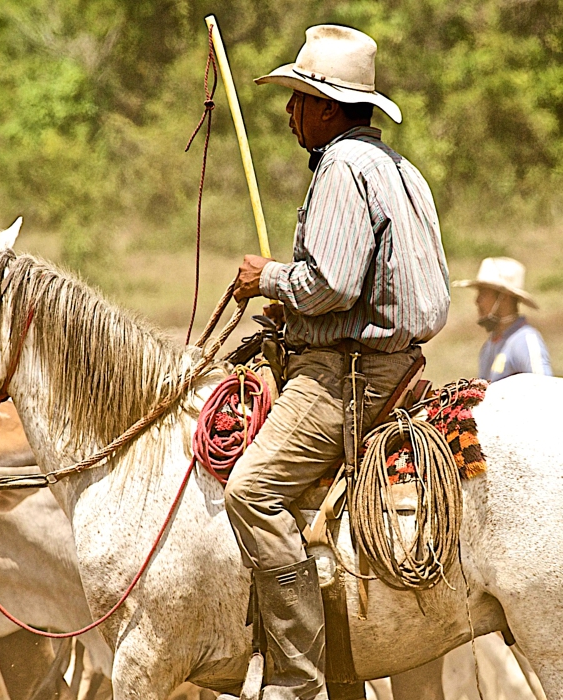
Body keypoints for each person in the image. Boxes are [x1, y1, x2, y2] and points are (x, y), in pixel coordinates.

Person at [226, 24, 450, 700]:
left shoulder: (343, 170)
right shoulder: (398, 168)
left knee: (250, 492)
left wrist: (268, 279)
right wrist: (290, 321)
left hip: (347, 378)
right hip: (398, 363)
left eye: (299, 99)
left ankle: (296, 677)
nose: (290, 112)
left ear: (328, 107)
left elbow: (332, 284)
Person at [453, 258, 552, 382]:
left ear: (504, 297)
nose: (477, 301)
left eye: (483, 293)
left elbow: (545, 390)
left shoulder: (526, 341)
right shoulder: (489, 346)